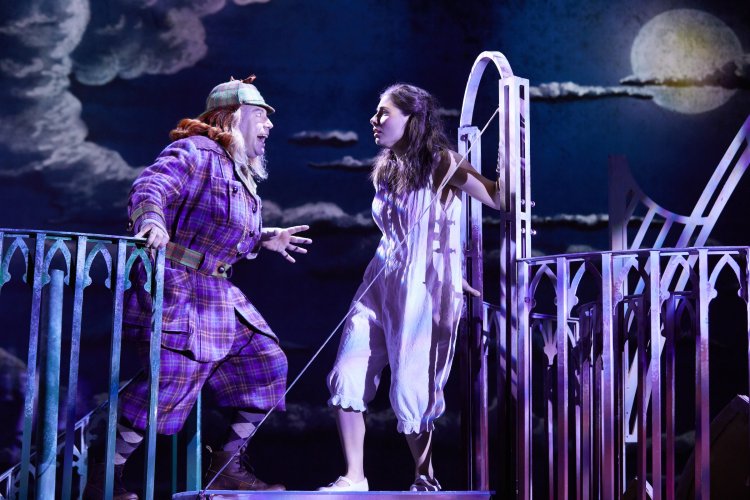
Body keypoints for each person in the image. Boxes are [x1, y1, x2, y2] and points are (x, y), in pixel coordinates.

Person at [84, 76, 311, 499]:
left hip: (217, 290)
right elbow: (150, 187)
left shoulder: (239, 172)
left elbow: (223, 230)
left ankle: (225, 466)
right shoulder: (196, 151)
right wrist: (151, 221)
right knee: (171, 380)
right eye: (260, 115)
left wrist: (265, 237)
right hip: (179, 286)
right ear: (231, 117)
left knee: (266, 363)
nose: (269, 125)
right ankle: (104, 476)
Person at [319, 83, 503, 492]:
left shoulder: (441, 162)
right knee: (347, 373)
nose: (375, 119)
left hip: (421, 290)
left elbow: (497, 199)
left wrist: (509, 163)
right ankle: (354, 477)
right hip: (380, 281)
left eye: (384, 112)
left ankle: (425, 476)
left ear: (412, 119)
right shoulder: (386, 168)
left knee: (410, 385)